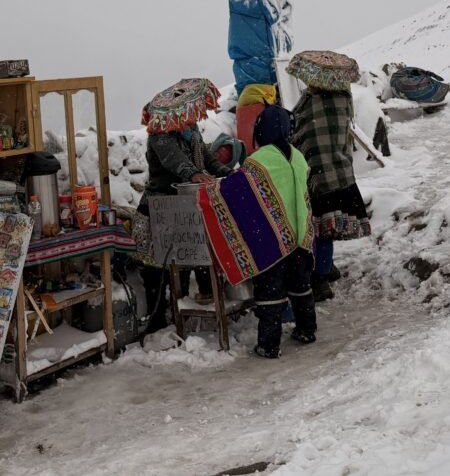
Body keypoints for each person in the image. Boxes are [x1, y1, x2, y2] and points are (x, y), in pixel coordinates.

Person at [137, 119, 232, 311]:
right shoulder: (159, 131)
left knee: (184, 262)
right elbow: (172, 156)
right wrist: (192, 173)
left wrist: (226, 173)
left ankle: (180, 311)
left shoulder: (192, 131)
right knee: (158, 267)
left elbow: (206, 157)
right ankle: (158, 317)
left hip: (185, 207)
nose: (191, 119)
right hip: (161, 207)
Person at [246, 104, 317, 357]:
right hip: (300, 234)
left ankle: (269, 344)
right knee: (301, 286)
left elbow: (246, 197)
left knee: (270, 292)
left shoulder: (257, 161)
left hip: (273, 237)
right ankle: (307, 329)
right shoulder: (298, 156)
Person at [292, 84, 368, 302]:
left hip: (318, 175)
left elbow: (299, 134)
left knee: (320, 229)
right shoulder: (343, 98)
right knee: (329, 225)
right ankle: (327, 266)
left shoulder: (311, 103)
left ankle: (320, 279)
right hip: (340, 172)